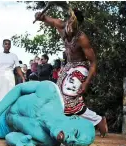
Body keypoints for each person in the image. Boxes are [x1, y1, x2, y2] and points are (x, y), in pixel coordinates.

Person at [35, 8, 108, 136]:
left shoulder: (82, 38)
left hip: (81, 66)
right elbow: (45, 18)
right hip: (68, 65)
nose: (70, 28)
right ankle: (68, 125)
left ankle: (98, 120)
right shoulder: (61, 25)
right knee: (58, 96)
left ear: (77, 25)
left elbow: (93, 63)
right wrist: (40, 16)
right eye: (68, 23)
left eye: (73, 25)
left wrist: (85, 83)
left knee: (69, 97)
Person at [0, 39, 25, 108]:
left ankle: (8, 109)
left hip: (9, 77)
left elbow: (18, 68)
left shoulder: (14, 56)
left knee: (8, 93)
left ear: (10, 46)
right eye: (6, 44)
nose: (7, 45)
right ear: (3, 45)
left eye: (9, 44)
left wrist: (22, 77)